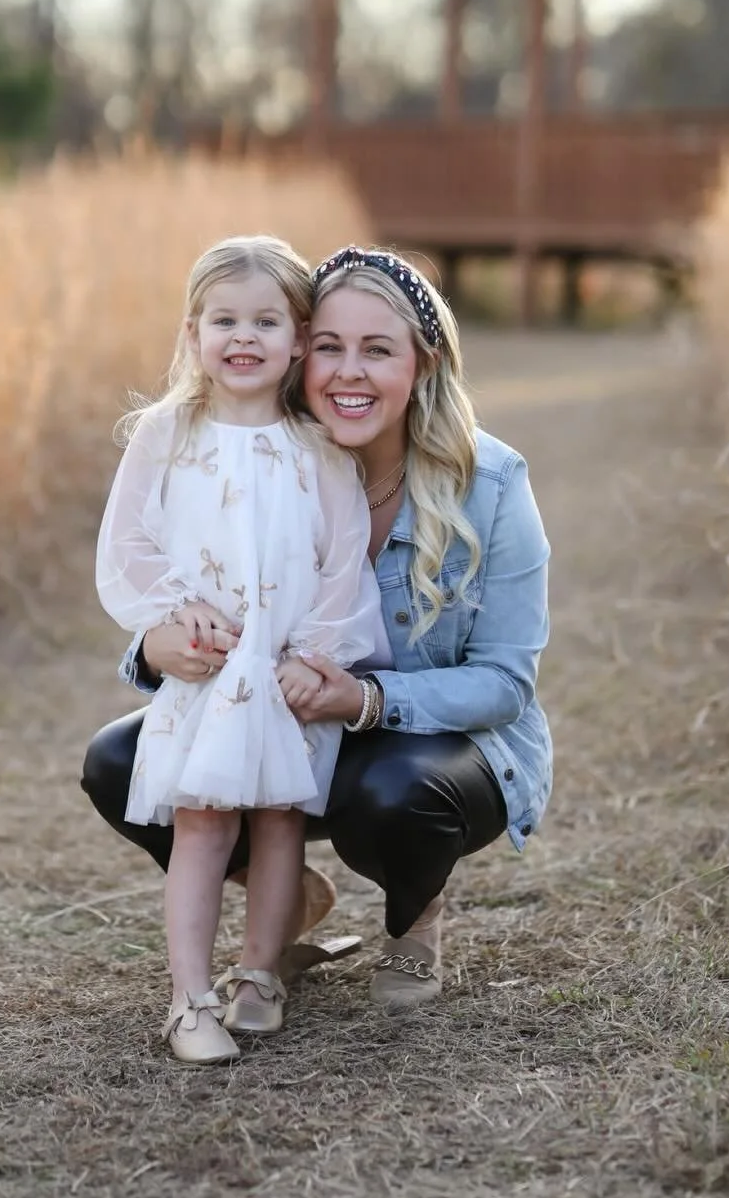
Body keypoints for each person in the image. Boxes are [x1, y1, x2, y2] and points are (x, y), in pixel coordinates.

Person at [84, 243, 552, 1015]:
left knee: (394, 795)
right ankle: (283, 897)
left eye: (378, 350)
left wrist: (364, 699)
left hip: (427, 740)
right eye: (329, 346)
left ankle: (414, 916)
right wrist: (155, 643)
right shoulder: (262, 456)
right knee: (116, 761)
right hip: (280, 704)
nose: (347, 373)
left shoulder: (491, 484)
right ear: (300, 349)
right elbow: (169, 566)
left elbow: (505, 684)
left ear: (423, 364)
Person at [94, 235, 380, 1064]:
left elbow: (342, 556)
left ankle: (261, 974)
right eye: (224, 319)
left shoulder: (317, 446)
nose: (243, 336)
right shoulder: (166, 431)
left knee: (280, 819)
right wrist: (170, 617)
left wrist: (318, 653)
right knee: (203, 823)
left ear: (298, 340)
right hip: (207, 669)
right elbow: (129, 544)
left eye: (266, 320)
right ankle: (189, 999)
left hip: (283, 672)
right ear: (192, 334)